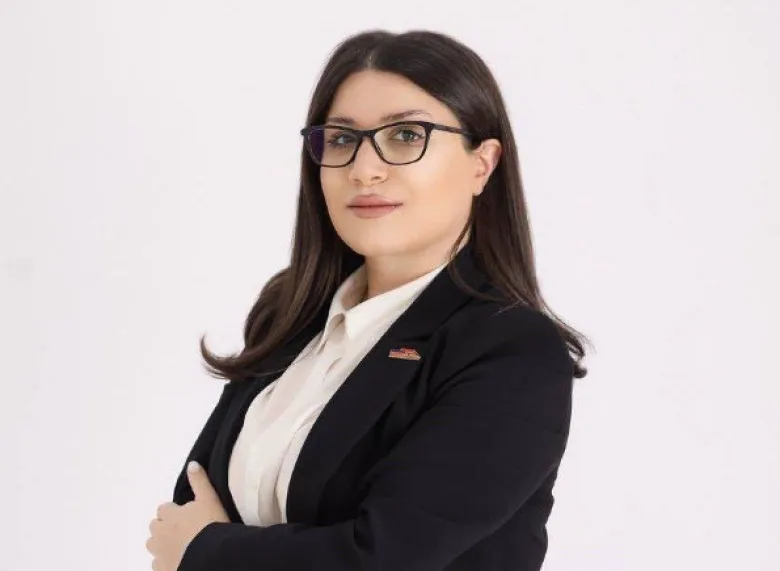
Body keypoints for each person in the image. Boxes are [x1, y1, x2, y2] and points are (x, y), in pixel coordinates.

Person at [147, 29, 590, 571]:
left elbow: (380, 557)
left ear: (483, 163)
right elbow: (190, 504)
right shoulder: (291, 313)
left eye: (406, 135)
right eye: (341, 139)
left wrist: (207, 553)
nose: (364, 169)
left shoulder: (511, 351)